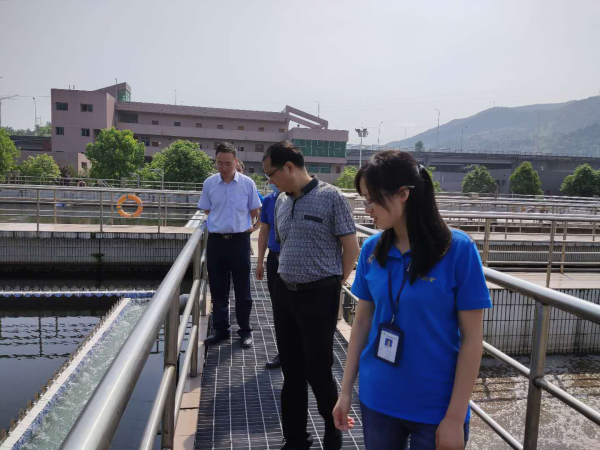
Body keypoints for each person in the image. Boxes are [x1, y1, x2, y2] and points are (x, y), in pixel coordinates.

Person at [332, 150, 492, 450]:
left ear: (403, 194)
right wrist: (345, 391)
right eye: (364, 199)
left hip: (436, 407)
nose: (367, 209)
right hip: (378, 398)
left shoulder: (457, 250)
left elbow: (472, 339)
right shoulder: (372, 250)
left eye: (372, 199)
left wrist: (455, 417)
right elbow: (362, 323)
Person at [262, 141, 360, 450]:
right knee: (291, 371)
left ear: (289, 167)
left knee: (318, 371)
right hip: (285, 292)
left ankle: (333, 435)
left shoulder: (331, 197)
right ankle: (295, 440)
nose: (270, 181)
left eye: (271, 174)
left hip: (319, 295)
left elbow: (351, 248)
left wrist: (335, 281)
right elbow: (284, 242)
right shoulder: (280, 201)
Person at [198, 142, 262, 348]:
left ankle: (245, 330)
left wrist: (240, 226)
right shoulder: (209, 183)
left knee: (243, 289)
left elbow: (254, 210)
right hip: (216, 241)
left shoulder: (247, 183)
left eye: (227, 163)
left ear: (235, 161)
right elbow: (207, 209)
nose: (223, 167)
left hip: (240, 241)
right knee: (218, 288)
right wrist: (221, 223)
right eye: (219, 163)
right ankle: (221, 330)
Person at [255, 179, 282, 369]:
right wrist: (260, 262)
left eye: (273, 176)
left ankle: (302, 353)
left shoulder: (302, 197)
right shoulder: (269, 200)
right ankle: (284, 351)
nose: (271, 181)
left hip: (297, 261)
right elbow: (264, 231)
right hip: (275, 258)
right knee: (279, 309)